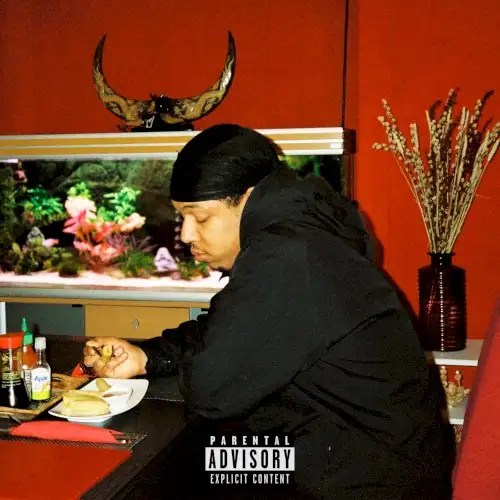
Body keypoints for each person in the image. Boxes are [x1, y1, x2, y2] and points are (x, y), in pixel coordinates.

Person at [84, 124, 446, 499]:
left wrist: (196, 361)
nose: (187, 234)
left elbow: (211, 391)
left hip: (363, 478)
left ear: (248, 197)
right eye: (182, 217)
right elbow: (227, 327)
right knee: (194, 462)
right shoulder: (299, 233)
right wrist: (146, 357)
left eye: (200, 217)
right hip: (348, 450)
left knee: (168, 472)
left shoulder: (287, 254)